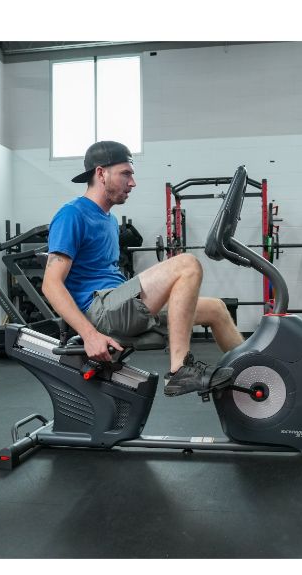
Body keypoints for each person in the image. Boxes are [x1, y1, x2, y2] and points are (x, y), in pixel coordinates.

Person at [42, 140, 243, 396]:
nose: (132, 182)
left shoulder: (110, 220)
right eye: (126, 173)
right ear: (101, 173)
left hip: (120, 304)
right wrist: (90, 335)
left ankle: (254, 373)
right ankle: (180, 370)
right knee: (187, 264)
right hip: (101, 310)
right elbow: (51, 283)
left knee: (216, 308)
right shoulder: (72, 214)